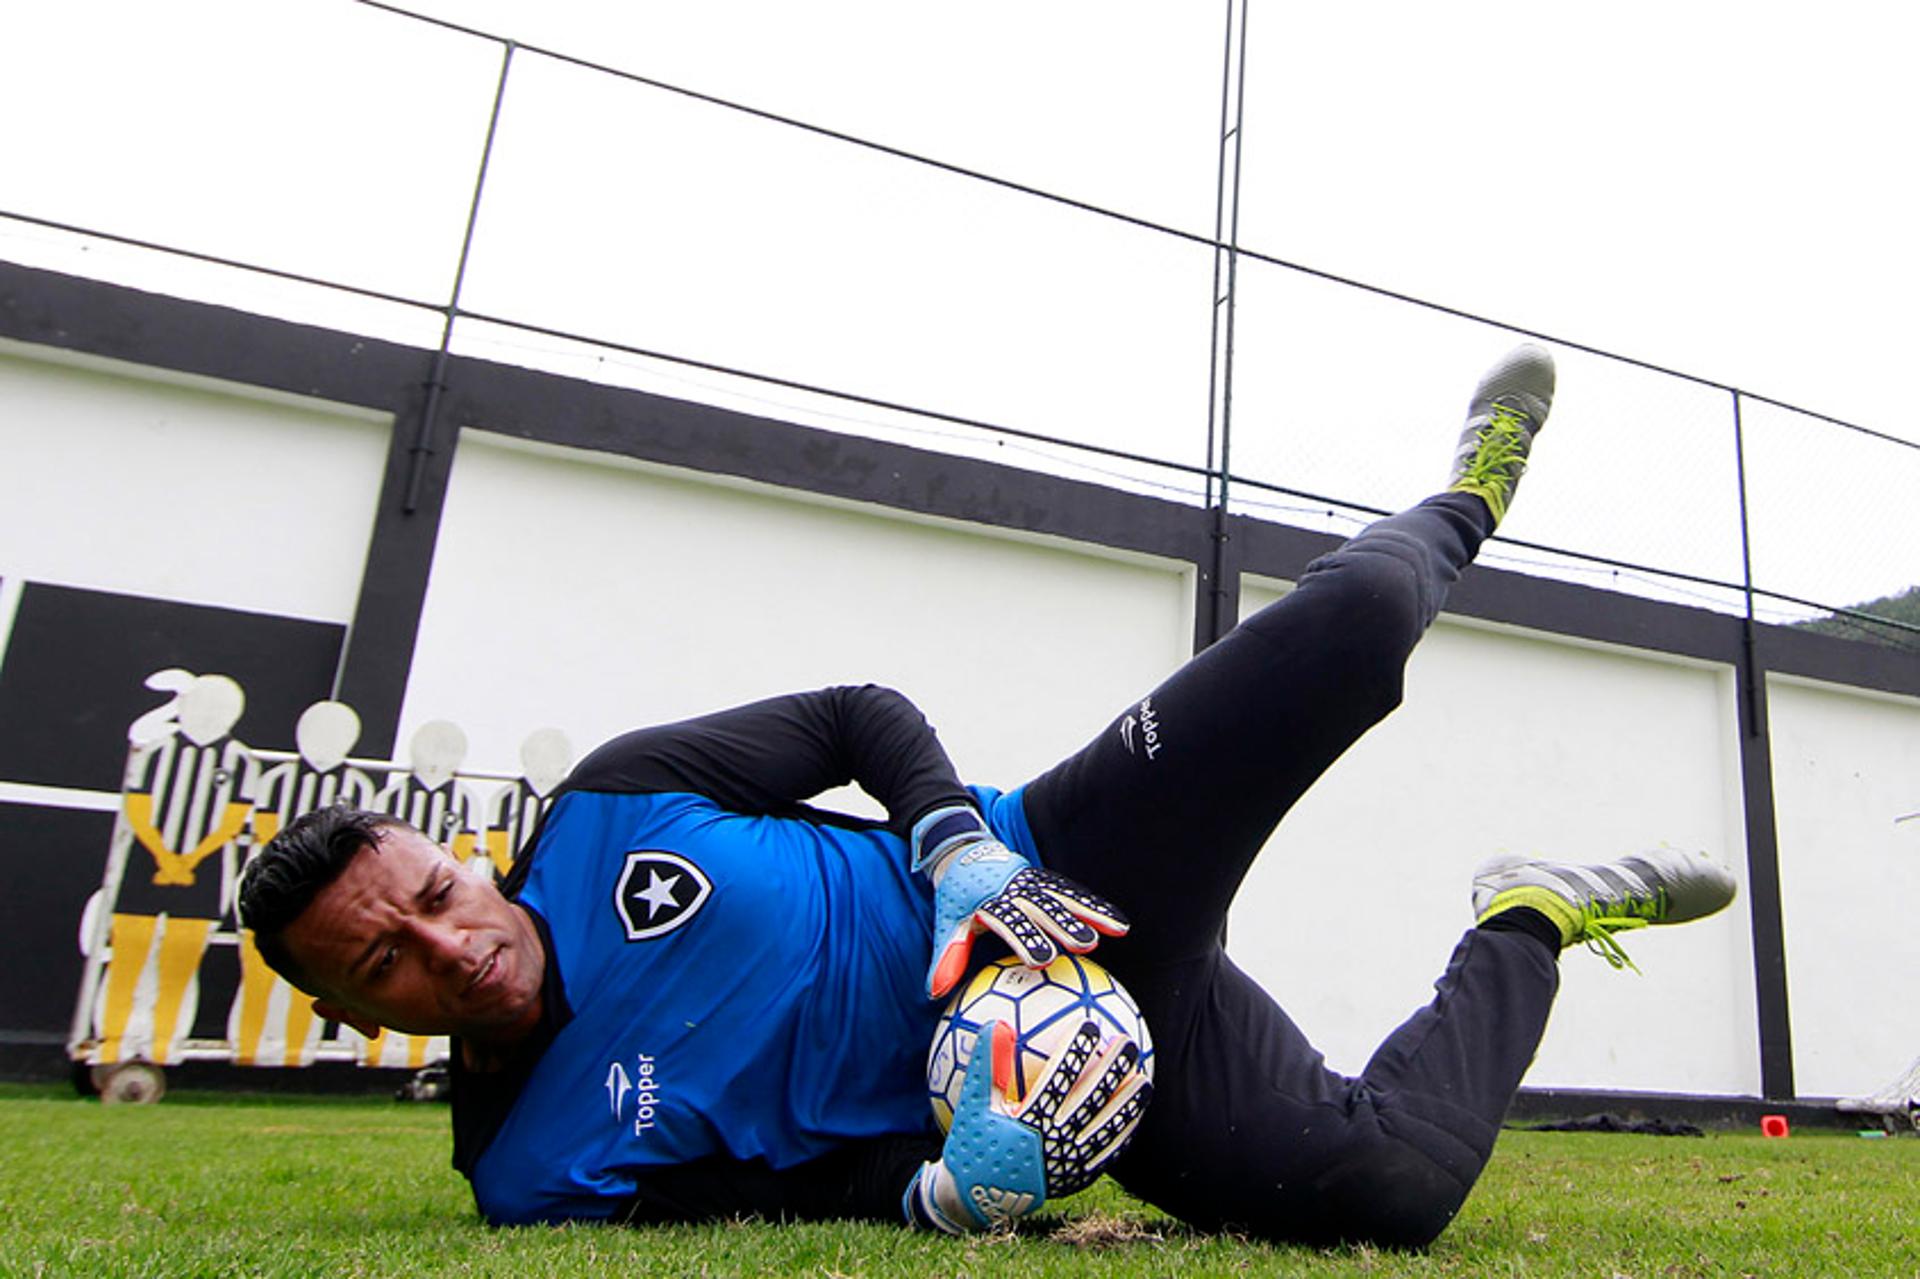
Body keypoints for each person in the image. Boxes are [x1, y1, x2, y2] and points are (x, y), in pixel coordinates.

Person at [237, 345, 1737, 1248]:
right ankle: (1530, 917)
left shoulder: (616, 803)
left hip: (1064, 860)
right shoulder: (529, 1176)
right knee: (1392, 1193)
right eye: (384, 963)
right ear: (356, 1021)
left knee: (1345, 640)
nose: (445, 947)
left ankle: (1468, 492)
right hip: (1061, 1071)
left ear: (459, 859)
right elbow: (777, 1199)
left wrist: (952, 848)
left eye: (431, 897)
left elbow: (854, 714)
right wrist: (942, 1194)